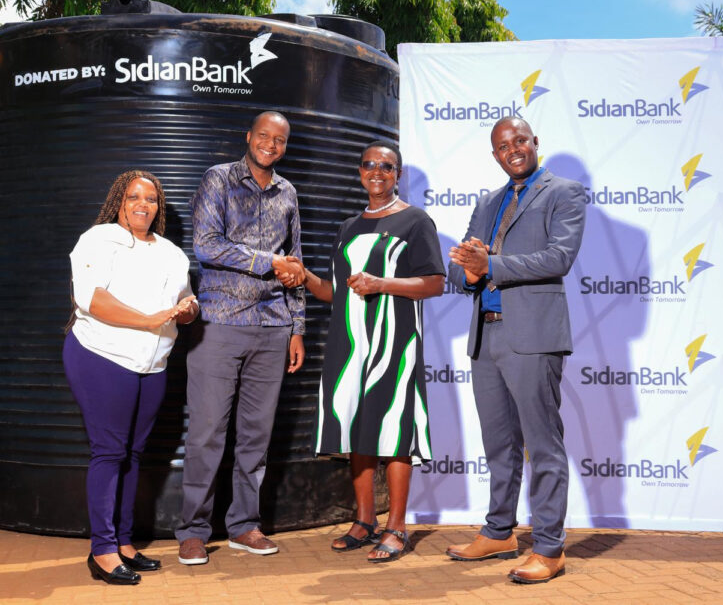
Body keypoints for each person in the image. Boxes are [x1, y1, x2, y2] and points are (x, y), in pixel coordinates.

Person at [279, 141, 445, 562]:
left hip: (395, 340)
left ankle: (398, 527)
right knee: (356, 428)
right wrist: (305, 277)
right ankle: (365, 520)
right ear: (359, 172)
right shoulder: (349, 225)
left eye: (386, 167)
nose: (377, 172)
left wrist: (382, 284)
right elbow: (335, 292)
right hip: (349, 342)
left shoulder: (415, 221)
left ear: (397, 175)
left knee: (393, 430)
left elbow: (434, 283)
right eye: (369, 165)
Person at [446, 117, 586, 583]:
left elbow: (558, 258)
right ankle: (500, 531)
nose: (513, 150)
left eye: (520, 141)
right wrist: (467, 271)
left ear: (535, 143)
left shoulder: (564, 192)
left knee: (542, 445)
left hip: (533, 336)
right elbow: (465, 269)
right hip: (486, 335)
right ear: (495, 155)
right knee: (498, 445)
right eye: (504, 146)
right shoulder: (488, 201)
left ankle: (549, 548)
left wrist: (492, 264)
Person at [175, 111, 306, 565]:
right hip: (219, 323)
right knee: (208, 433)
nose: (271, 144)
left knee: (256, 436)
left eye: (280, 139)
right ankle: (193, 530)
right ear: (248, 137)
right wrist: (268, 263)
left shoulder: (288, 192)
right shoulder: (218, 179)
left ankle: (244, 526)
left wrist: (297, 328)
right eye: (264, 136)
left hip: (273, 327)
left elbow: (297, 265)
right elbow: (207, 245)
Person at [63, 170, 198, 585]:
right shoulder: (98, 239)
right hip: (102, 356)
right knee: (108, 451)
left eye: (152, 198)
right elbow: (91, 298)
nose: (143, 204)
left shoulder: (172, 253)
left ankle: (123, 541)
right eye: (134, 196)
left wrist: (189, 309)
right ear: (119, 202)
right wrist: (147, 320)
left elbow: (183, 301)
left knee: (133, 453)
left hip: (152, 365)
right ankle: (102, 550)